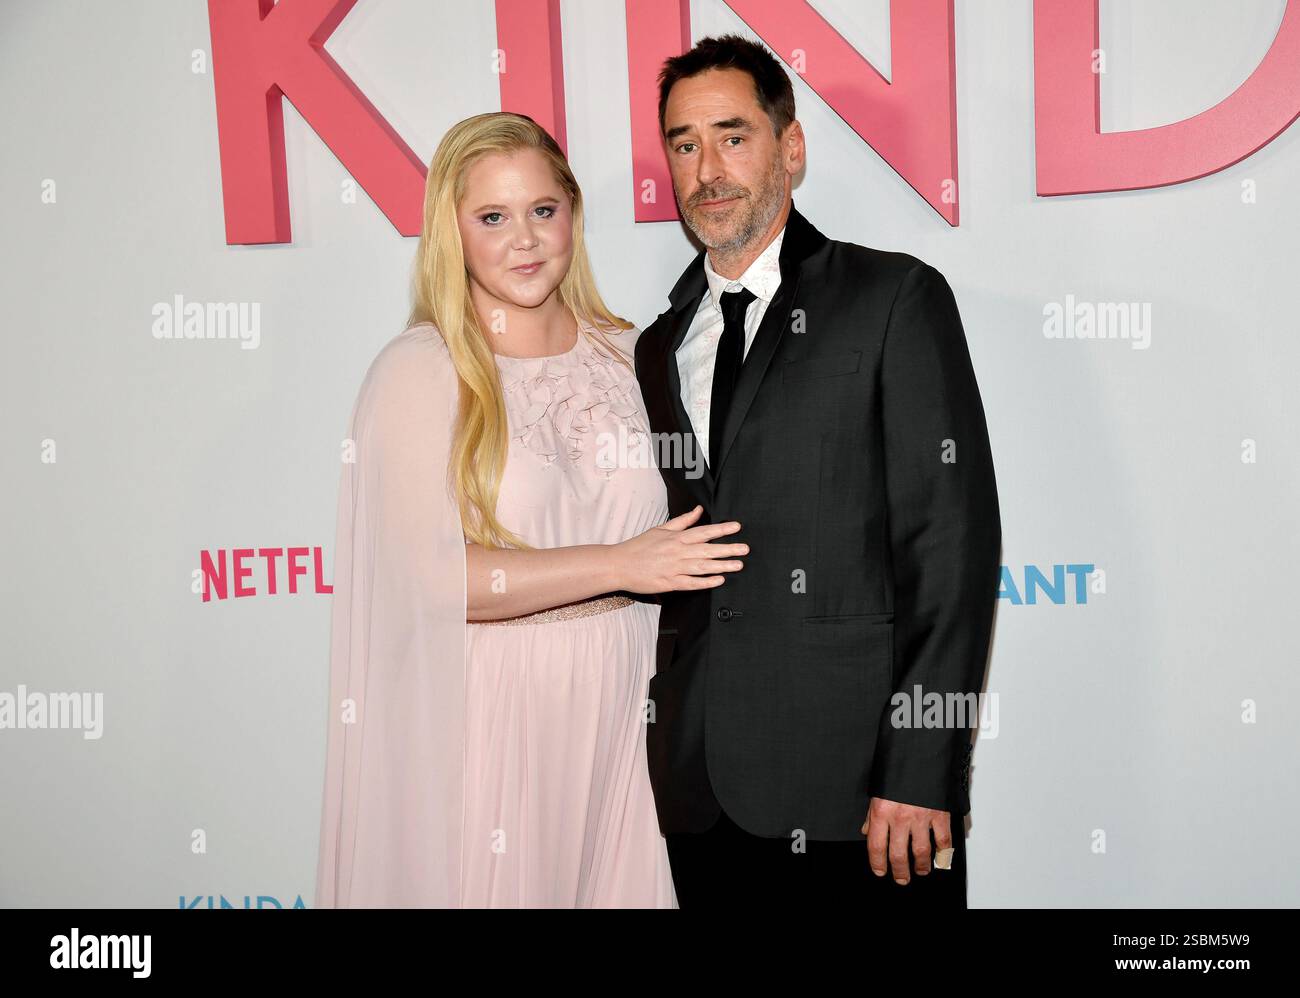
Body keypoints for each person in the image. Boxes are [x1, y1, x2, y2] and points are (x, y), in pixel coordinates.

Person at [314, 111, 749, 908]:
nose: (524, 239)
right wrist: (623, 564)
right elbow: (430, 579)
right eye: (492, 217)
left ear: (573, 217)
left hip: (631, 708)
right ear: (452, 231)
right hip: (498, 710)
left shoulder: (635, 353)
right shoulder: (419, 370)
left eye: (543, 211)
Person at [634, 35, 1002, 907]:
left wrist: (920, 768)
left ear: (790, 149)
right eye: (684, 144)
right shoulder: (657, 344)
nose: (708, 168)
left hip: (864, 796)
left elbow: (948, 545)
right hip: (698, 793)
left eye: (733, 135)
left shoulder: (893, 299)